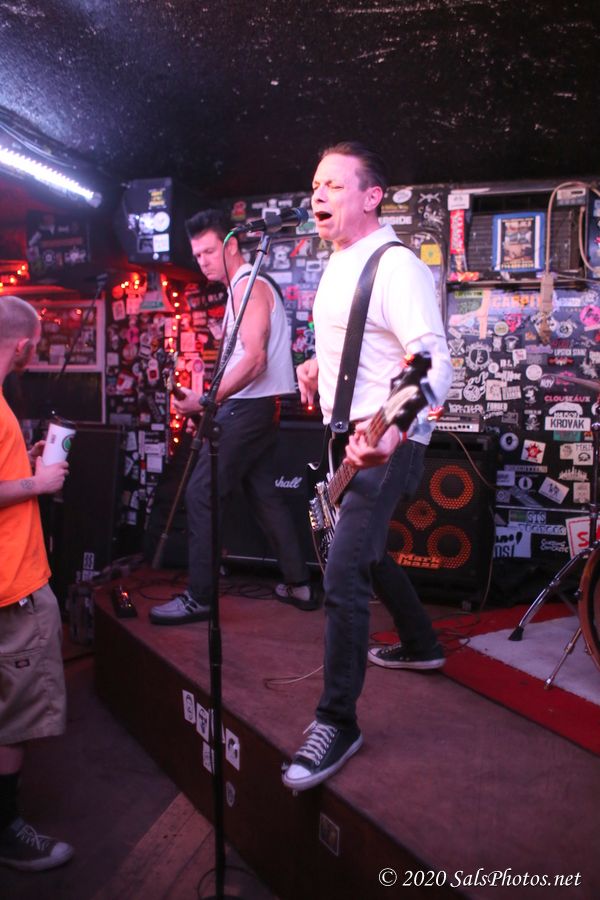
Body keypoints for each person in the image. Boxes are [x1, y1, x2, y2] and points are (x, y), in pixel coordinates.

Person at [282, 142, 453, 791]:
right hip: (345, 439)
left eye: (332, 184)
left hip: (387, 442)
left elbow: (432, 362)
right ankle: (422, 644)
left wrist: (394, 429)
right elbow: (360, 344)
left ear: (372, 195)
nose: (317, 195)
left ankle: (337, 721)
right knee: (369, 553)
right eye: (314, 185)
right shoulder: (339, 264)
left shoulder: (397, 265)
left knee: (345, 571)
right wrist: (314, 368)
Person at [149, 209, 316, 624]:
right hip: (259, 408)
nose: (203, 261)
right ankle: (299, 583)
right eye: (197, 255)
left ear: (233, 245)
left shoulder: (247, 286)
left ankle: (200, 598)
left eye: (209, 251)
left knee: (200, 493)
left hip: (248, 408)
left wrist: (207, 401)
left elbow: (256, 360)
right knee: (264, 495)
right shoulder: (243, 287)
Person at [0, 295, 72, 870]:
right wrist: (38, 485)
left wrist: (27, 463)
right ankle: (5, 832)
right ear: (23, 345)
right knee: (14, 719)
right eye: (37, 346)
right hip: (12, 587)